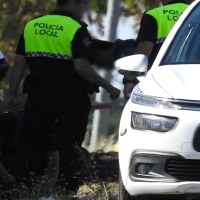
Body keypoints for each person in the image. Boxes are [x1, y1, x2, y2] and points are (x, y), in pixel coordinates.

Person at [7, 0, 120, 198]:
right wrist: (109, 86)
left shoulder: (32, 25)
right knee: (71, 146)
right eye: (84, 5)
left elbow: (19, 63)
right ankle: (65, 191)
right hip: (71, 95)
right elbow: (81, 67)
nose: (85, 9)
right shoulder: (76, 28)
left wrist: (12, 94)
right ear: (73, 4)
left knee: (31, 143)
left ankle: (23, 188)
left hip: (39, 94)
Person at [123, 0, 189, 101]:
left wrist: (130, 79)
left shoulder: (155, 14)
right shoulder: (196, 15)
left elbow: (145, 48)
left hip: (161, 84)